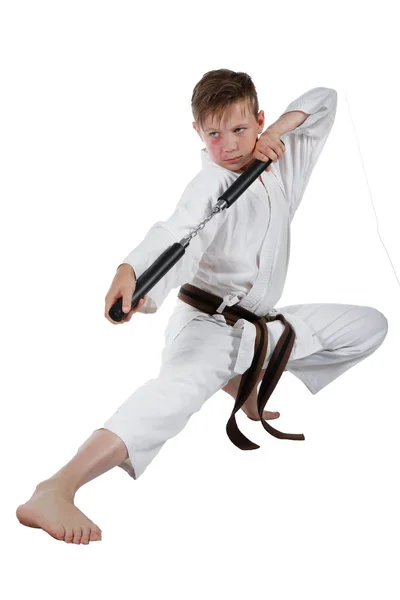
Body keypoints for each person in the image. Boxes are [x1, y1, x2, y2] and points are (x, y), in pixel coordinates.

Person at [16, 69, 388, 544]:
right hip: (205, 327)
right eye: (214, 133)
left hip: (255, 326)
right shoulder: (209, 186)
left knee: (368, 326)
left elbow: (324, 99)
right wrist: (131, 272)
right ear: (198, 133)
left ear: (259, 121)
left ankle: (241, 382)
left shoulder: (280, 160)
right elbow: (176, 232)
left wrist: (276, 136)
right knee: (172, 396)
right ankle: (57, 487)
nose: (228, 145)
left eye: (239, 129)